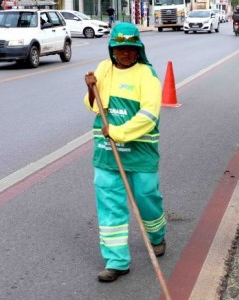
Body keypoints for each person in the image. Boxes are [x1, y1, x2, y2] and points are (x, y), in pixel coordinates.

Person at [83, 23, 166, 283]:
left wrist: (118, 133)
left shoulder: (147, 75)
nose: (125, 53)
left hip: (140, 153)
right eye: (120, 49)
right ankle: (116, 261)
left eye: (131, 48)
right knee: (110, 208)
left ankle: (156, 235)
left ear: (139, 49)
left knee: (146, 198)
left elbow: (149, 116)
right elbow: (93, 106)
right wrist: (90, 87)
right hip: (107, 154)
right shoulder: (104, 69)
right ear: (112, 50)